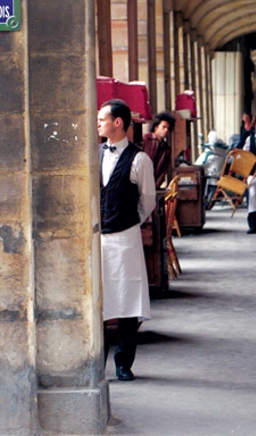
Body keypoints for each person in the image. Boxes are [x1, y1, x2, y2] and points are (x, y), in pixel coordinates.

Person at [98, 99, 157, 381]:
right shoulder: (95, 154)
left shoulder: (139, 159)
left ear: (118, 122)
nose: (98, 124)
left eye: (102, 119)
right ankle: (96, 361)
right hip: (97, 239)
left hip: (125, 238)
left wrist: (128, 221)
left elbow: (147, 201)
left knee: (127, 301)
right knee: (97, 300)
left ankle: (123, 363)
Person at [142, 111, 176, 189]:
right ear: (156, 127)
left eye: (168, 128)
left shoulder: (166, 149)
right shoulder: (145, 139)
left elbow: (164, 171)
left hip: (153, 187)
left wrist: (155, 186)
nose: (166, 130)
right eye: (163, 127)